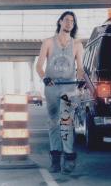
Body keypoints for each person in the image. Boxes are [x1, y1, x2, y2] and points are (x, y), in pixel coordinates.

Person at [36, 11, 85, 174]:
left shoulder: (77, 44)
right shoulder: (48, 43)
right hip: (52, 87)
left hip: (69, 88)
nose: (69, 23)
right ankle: (55, 159)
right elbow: (39, 66)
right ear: (60, 22)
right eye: (66, 20)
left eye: (72, 21)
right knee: (53, 123)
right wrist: (44, 78)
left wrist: (80, 80)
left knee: (66, 122)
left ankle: (69, 157)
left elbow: (80, 68)